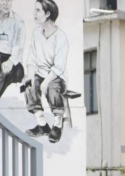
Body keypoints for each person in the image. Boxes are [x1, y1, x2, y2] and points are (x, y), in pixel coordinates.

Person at [22, 0, 68, 143]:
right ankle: (43, 125)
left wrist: (46, 82)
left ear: (47, 14)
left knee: (52, 88)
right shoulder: (36, 34)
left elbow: (59, 67)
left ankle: (57, 125)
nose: (34, 14)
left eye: (37, 10)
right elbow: (31, 59)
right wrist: (30, 75)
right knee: (29, 85)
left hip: (56, 77)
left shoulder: (61, 37)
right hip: (40, 74)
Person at [0, 0, 26, 99]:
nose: (7, 3)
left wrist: (10, 61)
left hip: (12, 61)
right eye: (3, 0)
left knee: (4, 72)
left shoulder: (18, 21)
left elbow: (19, 47)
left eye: (9, 0)